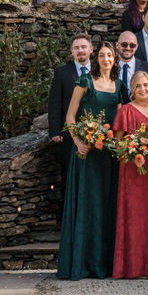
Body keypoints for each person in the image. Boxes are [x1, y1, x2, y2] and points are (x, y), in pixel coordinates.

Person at [57, 42, 123, 280]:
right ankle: (80, 264)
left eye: (110, 56)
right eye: (103, 55)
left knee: (105, 206)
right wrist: (77, 142)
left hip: (107, 156)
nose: (106, 59)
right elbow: (70, 116)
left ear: (115, 60)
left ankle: (102, 264)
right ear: (97, 59)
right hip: (86, 153)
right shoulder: (84, 82)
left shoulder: (120, 86)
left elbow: (118, 122)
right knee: (87, 205)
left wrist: (117, 143)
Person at [112, 71, 148, 279]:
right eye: (138, 86)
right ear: (132, 89)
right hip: (132, 170)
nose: (143, 89)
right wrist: (132, 149)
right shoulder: (126, 110)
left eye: (146, 85)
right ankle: (132, 266)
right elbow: (117, 142)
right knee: (134, 215)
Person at [48, 33, 93, 212]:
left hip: (94, 132)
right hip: (68, 134)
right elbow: (55, 103)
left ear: (90, 49)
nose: (80, 51)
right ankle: (68, 216)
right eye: (76, 48)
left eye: (83, 47)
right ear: (71, 52)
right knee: (69, 175)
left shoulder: (99, 71)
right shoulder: (62, 73)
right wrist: (54, 131)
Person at [114, 31, 148, 105]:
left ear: (137, 47)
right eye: (124, 44)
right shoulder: (109, 68)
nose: (128, 48)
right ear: (117, 45)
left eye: (132, 45)